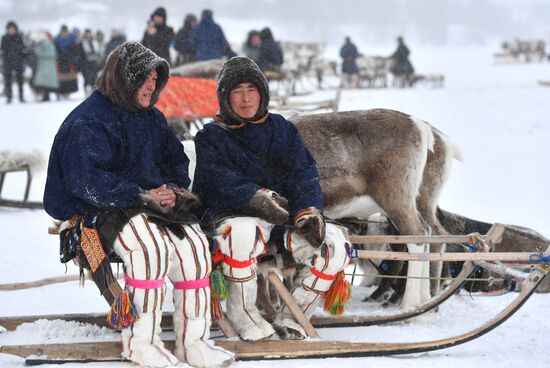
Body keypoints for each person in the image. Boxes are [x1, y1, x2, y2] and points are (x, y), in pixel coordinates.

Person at [43, 41, 234, 368]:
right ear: (123, 78)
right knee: (150, 250)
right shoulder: (87, 121)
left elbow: (175, 158)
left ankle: (193, 343)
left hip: (150, 206)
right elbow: (85, 180)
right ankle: (141, 343)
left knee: (196, 250)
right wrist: (138, 194)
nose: (152, 85)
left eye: (155, 78)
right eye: (144, 78)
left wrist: (173, 189)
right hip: (100, 210)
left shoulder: (152, 118)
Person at [192, 56, 350, 341]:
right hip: (235, 217)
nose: (245, 98)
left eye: (251, 89)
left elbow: (303, 173)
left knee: (334, 246)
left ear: (262, 93)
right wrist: (256, 198)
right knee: (242, 233)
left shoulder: (282, 129)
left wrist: (308, 211)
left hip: (283, 221)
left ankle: (293, 316)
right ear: (224, 97)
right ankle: (244, 317)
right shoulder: (210, 137)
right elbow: (216, 183)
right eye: (236, 91)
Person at [1, 21, 26, 103]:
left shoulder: (19, 37)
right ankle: (9, 97)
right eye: (10, 29)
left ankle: (21, 97)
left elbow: (23, 49)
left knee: (20, 81)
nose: (11, 30)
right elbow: (2, 49)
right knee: (8, 81)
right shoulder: (4, 38)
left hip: (18, 62)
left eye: (12, 28)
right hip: (8, 62)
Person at [30, 30, 59, 101]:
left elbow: (39, 53)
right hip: (49, 65)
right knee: (47, 82)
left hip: (44, 65)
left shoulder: (43, 44)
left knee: (44, 82)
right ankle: (48, 96)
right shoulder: (50, 43)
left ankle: (45, 96)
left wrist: (36, 49)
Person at [54, 25, 79, 98]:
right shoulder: (58, 39)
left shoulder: (59, 38)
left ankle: (67, 93)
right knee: (63, 77)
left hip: (68, 60)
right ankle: (63, 93)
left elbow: (75, 50)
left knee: (68, 77)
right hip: (63, 61)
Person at [78, 29, 100, 96]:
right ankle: (86, 93)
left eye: (89, 33)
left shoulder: (94, 42)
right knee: (87, 78)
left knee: (94, 78)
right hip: (85, 64)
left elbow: (97, 52)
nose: (88, 35)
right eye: (87, 33)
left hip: (94, 63)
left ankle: (94, 92)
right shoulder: (82, 43)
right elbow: (80, 55)